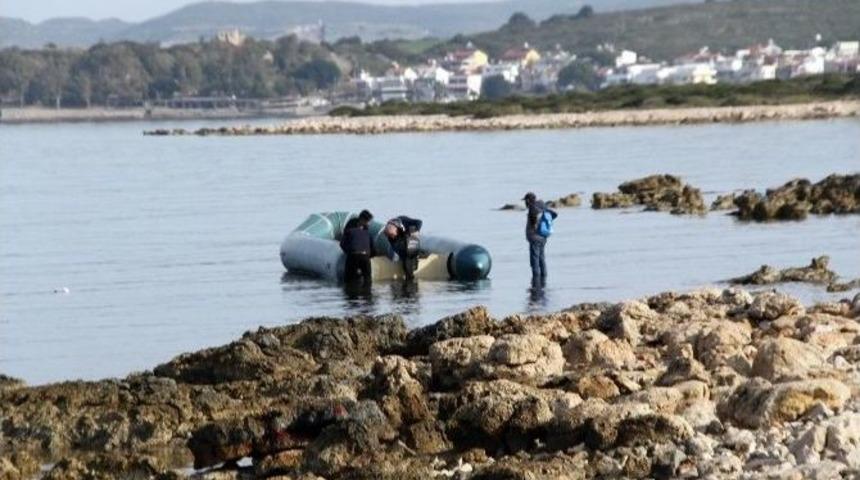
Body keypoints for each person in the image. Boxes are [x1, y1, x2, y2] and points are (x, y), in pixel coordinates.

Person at [523, 192, 557, 289]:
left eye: (525, 201)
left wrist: (534, 226)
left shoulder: (532, 209)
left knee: (534, 261)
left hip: (535, 238)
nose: (525, 203)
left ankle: (536, 283)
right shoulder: (542, 207)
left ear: (528, 200)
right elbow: (554, 214)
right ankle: (543, 280)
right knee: (541, 259)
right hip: (543, 237)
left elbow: (533, 222)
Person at [340, 210, 375, 285]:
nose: (368, 224)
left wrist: (349, 252)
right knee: (367, 278)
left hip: (354, 255)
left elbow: (342, 244)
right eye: (367, 221)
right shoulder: (352, 225)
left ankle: (351, 292)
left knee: (348, 279)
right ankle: (367, 293)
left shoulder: (363, 229)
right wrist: (369, 255)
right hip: (364, 256)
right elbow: (372, 247)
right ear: (362, 219)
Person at [384, 215, 423, 281]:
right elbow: (395, 247)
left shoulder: (404, 221)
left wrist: (416, 231)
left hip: (410, 237)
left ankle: (416, 257)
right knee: (405, 261)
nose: (392, 237)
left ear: (397, 229)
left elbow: (419, 222)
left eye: (392, 235)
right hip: (402, 241)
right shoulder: (390, 236)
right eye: (390, 236)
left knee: (410, 255)